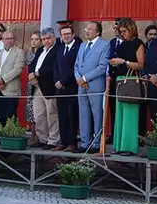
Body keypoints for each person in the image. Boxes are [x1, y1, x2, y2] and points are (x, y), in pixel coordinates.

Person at [108, 18, 146, 155]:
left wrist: (124, 62)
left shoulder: (138, 43)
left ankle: (129, 146)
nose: (122, 34)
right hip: (119, 79)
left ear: (131, 29)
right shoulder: (122, 44)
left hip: (131, 79)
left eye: (124, 31)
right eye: (120, 31)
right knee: (120, 114)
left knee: (130, 114)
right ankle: (119, 145)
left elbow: (141, 65)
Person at [75, 21, 111, 151]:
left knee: (97, 114)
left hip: (95, 85)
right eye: (86, 28)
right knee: (83, 114)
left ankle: (96, 144)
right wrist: (79, 78)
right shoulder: (82, 45)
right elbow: (77, 65)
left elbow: (102, 66)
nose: (86, 31)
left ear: (98, 32)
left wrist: (85, 78)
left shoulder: (104, 44)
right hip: (81, 85)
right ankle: (85, 143)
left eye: (90, 29)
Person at [0, 28, 25, 138]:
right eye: (6, 39)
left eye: (11, 38)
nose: (9, 41)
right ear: (2, 40)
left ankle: (9, 138)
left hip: (10, 90)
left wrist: (3, 79)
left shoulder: (19, 52)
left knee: (10, 116)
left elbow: (18, 69)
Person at [53, 22, 83, 151]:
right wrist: (56, 81)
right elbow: (55, 66)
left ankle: (72, 142)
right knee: (62, 115)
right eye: (63, 34)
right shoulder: (59, 48)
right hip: (59, 88)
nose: (66, 36)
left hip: (71, 86)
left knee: (72, 115)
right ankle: (63, 141)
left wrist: (63, 81)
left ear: (73, 35)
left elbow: (75, 67)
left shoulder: (78, 47)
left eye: (68, 34)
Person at [29, 28, 60, 149]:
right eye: (44, 39)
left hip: (49, 86)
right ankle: (42, 138)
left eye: (48, 38)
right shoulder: (40, 49)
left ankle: (53, 140)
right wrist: (31, 74)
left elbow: (52, 67)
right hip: (36, 86)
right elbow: (32, 64)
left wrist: (37, 73)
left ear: (53, 38)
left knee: (52, 114)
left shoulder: (57, 50)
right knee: (39, 114)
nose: (46, 41)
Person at [24, 31, 41, 145]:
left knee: (38, 111)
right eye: (32, 39)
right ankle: (32, 134)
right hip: (29, 85)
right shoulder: (30, 53)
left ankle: (39, 136)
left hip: (38, 84)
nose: (34, 41)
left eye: (36, 39)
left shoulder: (41, 53)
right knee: (30, 111)